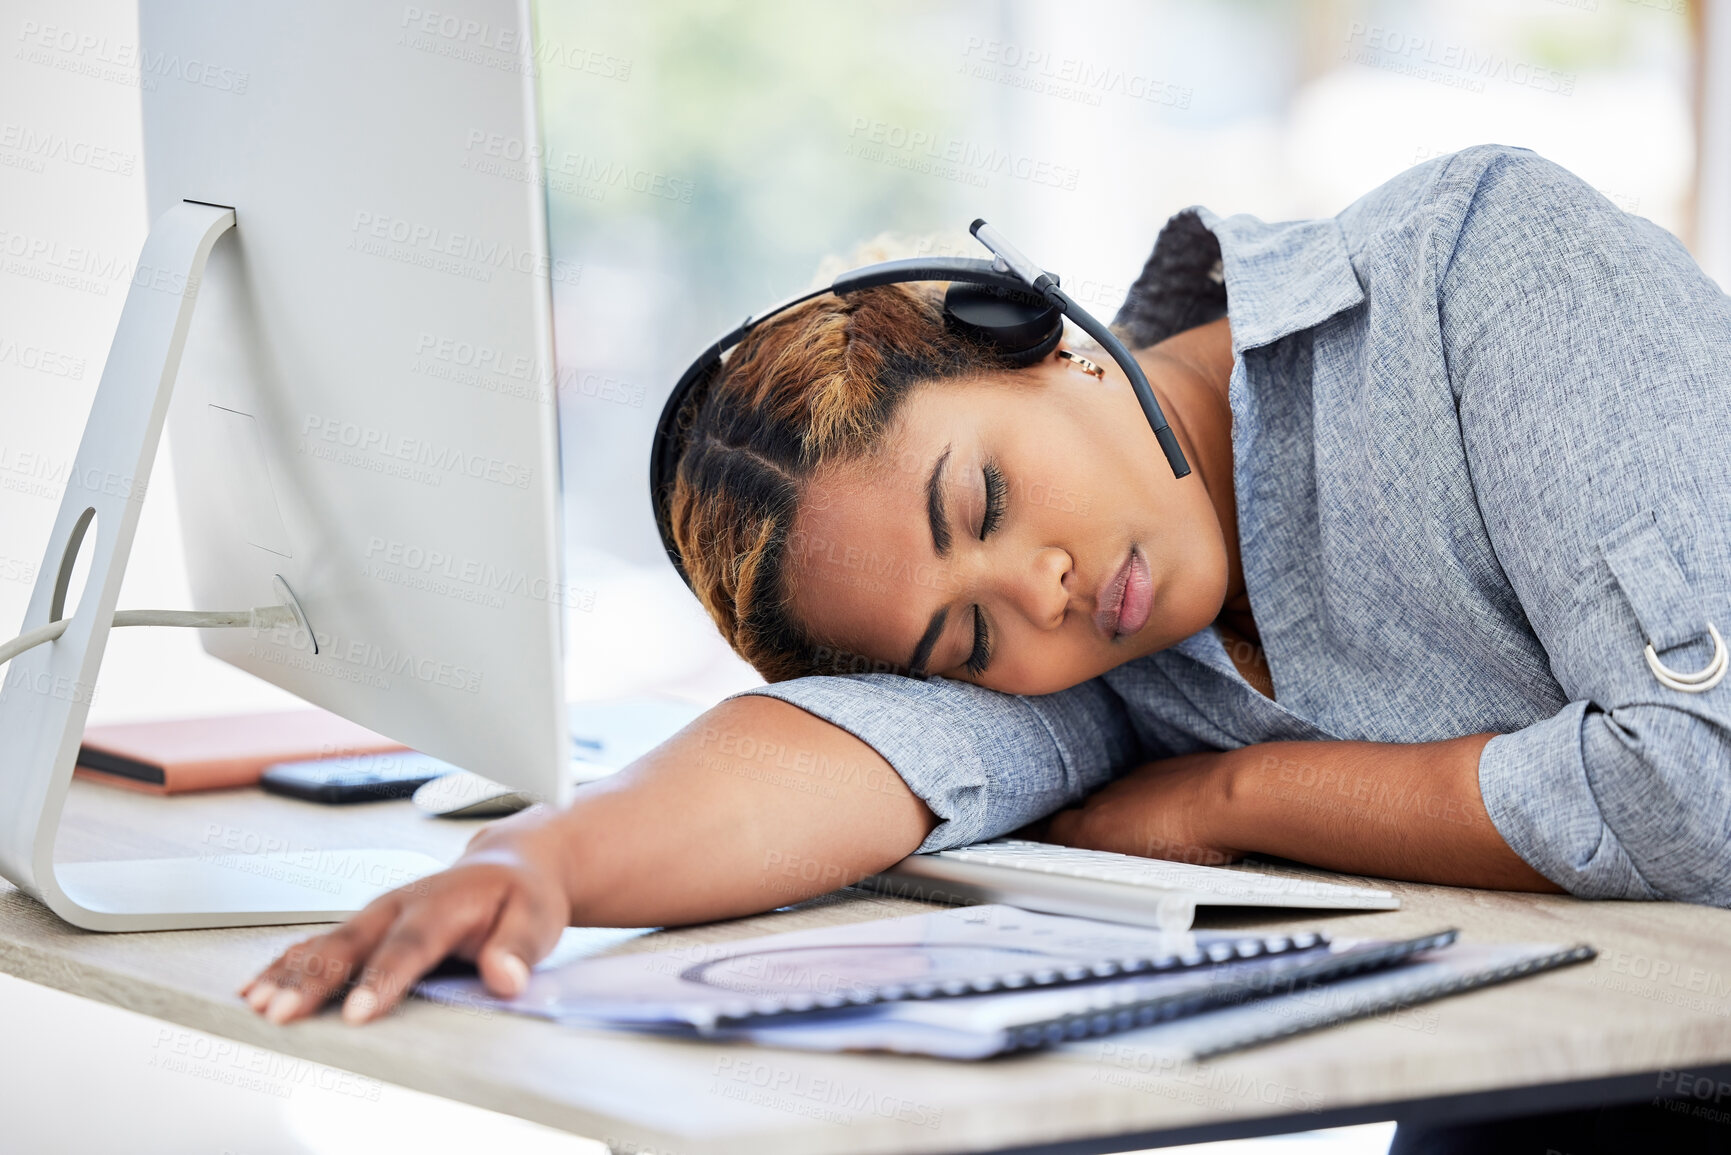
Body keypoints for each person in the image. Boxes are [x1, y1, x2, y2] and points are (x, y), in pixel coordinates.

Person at [241, 145, 1731, 1045]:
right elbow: (841, 756)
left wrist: (1235, 800)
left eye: (989, 501)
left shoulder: (1487, 265)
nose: (1045, 598)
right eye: (965, 637)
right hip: (1550, 1071)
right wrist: (545, 867)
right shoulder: (1087, 676)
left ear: (1041, 338)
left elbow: (1702, 782)